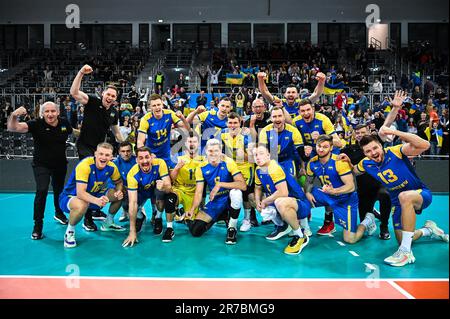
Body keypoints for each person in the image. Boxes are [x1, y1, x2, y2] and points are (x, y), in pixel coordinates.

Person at [350, 130, 449, 266]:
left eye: (375, 148)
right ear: (365, 153)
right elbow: (354, 170)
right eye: (368, 151)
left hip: (420, 193)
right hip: (397, 202)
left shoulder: (395, 151)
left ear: (381, 145)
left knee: (404, 196)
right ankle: (428, 230)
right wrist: (345, 161)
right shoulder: (366, 163)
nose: (373, 153)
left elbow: (425, 145)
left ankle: (405, 252)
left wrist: (393, 131)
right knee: (403, 238)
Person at [7, 103, 77, 239]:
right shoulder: (36, 124)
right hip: (41, 164)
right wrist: (14, 115)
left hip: (60, 164)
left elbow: (72, 131)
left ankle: (58, 213)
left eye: (52, 111)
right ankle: (37, 225)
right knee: (42, 190)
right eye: (46, 112)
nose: (50, 114)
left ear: (57, 112)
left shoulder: (64, 123)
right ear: (42, 113)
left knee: (59, 190)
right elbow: (12, 127)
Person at [70, 64, 124, 231]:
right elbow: (74, 92)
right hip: (86, 147)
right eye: (108, 94)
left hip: (101, 150)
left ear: (115, 99)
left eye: (113, 96)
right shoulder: (91, 101)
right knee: (89, 179)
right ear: (103, 94)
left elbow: (117, 133)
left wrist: (126, 146)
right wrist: (80, 73)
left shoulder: (114, 112)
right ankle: (87, 219)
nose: (110, 97)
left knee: (100, 182)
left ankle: (93, 209)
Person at [305, 135, 377, 244]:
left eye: (325, 147)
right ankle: (302, 230)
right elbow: (309, 181)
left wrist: (333, 191)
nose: (321, 149)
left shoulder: (339, 161)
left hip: (345, 199)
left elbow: (351, 187)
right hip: (327, 194)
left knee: (350, 239)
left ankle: (367, 221)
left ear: (331, 148)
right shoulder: (312, 162)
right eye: (319, 146)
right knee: (300, 199)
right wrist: (307, 192)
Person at [62, 143, 125, 248]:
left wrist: (118, 191)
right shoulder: (85, 165)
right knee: (82, 204)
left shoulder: (112, 167)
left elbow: (119, 182)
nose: (103, 157)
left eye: (107, 155)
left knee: (120, 195)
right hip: (70, 197)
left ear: (111, 156)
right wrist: (97, 201)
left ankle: (108, 223)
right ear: (95, 154)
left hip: (95, 195)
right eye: (101, 154)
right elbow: (80, 193)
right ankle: (70, 232)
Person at [185, 139, 247, 244]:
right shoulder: (201, 167)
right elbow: (199, 192)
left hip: (228, 199)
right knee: (195, 231)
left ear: (221, 150)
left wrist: (220, 184)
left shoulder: (228, 162)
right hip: (216, 201)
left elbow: (243, 185)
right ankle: (220, 216)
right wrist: (192, 209)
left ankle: (232, 228)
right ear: (205, 151)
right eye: (210, 151)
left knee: (236, 193)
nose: (213, 154)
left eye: (216, 151)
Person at [253, 145, 311, 255]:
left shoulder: (274, 168)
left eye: (261, 153)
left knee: (280, 202)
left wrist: (265, 201)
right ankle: (283, 226)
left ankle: (300, 236)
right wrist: (257, 202)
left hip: (299, 203)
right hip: (281, 201)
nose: (258, 157)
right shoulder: (258, 169)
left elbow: (283, 192)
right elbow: (258, 187)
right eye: (255, 155)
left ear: (268, 155)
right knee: (252, 198)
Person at [340, 124, 392, 239]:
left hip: (380, 185)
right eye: (357, 133)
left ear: (369, 132)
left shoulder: (376, 143)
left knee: (385, 195)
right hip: (363, 189)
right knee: (365, 220)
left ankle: (384, 227)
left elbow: (387, 124)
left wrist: (395, 108)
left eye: (363, 132)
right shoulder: (349, 149)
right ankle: (372, 212)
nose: (360, 135)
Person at [122, 147, 177, 247]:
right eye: (141, 158)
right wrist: (132, 231)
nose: (145, 161)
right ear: (137, 160)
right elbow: (133, 202)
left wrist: (164, 186)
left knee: (161, 191)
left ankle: (157, 218)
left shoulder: (160, 163)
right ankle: (140, 216)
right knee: (126, 204)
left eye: (147, 157)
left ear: (151, 157)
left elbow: (169, 188)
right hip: (141, 194)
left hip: (155, 192)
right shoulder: (132, 174)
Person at [220, 112, 256, 232]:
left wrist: (243, 155)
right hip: (231, 167)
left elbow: (252, 158)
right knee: (228, 191)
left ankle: (247, 219)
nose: (233, 125)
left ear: (240, 122)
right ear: (226, 123)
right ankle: (226, 216)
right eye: (230, 123)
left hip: (245, 167)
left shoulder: (246, 136)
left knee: (246, 193)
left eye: (235, 122)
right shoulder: (222, 134)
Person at [137, 94, 188, 169]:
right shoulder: (145, 119)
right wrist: (146, 155)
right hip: (152, 154)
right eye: (154, 105)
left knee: (171, 177)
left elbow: (185, 127)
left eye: (158, 104)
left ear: (162, 105)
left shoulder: (170, 114)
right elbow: (140, 141)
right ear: (150, 107)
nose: (157, 107)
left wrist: (182, 117)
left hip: (166, 154)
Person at [259, 107, 306, 178]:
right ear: (271, 118)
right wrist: (264, 171)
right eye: (274, 116)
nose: (277, 119)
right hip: (271, 161)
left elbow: (300, 151)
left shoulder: (293, 131)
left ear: (284, 117)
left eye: (280, 116)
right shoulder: (265, 131)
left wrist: (303, 167)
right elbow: (262, 153)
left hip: (288, 160)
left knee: (291, 179)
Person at [257, 71, 326, 118]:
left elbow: (316, 93)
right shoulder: (279, 102)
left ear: (297, 94)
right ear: (284, 94)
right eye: (289, 92)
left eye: (293, 92)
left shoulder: (302, 103)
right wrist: (260, 80)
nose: (291, 94)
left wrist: (321, 81)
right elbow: (265, 92)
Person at [169, 131, 205, 221]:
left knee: (190, 220)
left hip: (193, 192)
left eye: (194, 142)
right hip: (179, 190)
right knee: (171, 199)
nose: (192, 144)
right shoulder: (177, 156)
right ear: (185, 143)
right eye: (189, 142)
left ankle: (183, 212)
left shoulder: (204, 159)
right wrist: (177, 168)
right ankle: (175, 211)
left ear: (198, 143)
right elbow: (171, 178)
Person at [112, 142, 137, 223]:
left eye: (128, 151)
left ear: (132, 151)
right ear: (119, 152)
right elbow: (111, 181)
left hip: (137, 188)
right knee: (118, 192)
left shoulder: (138, 161)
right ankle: (125, 210)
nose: (126, 154)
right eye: (123, 151)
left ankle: (142, 210)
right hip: (123, 189)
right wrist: (118, 189)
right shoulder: (114, 163)